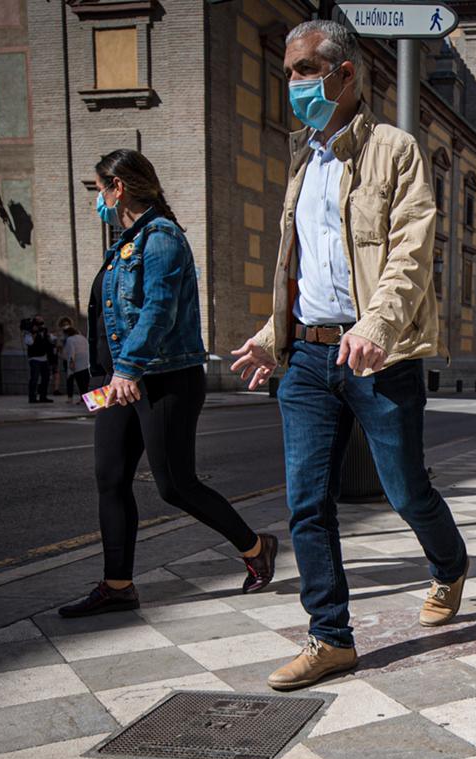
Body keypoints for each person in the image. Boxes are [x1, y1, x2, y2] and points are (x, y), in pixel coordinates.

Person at [231, 19, 468, 691]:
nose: (294, 84)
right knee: (306, 502)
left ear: (345, 73)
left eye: (304, 69)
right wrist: (272, 334)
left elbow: (410, 255)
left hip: (378, 356)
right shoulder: (301, 158)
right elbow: (298, 266)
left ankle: (450, 565)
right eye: (289, 72)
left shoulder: (396, 151)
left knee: (405, 490)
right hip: (307, 360)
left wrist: (376, 327)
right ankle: (330, 638)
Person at [58, 149, 278, 618]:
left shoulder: (161, 239)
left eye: (99, 189)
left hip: (160, 378)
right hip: (117, 380)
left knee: (175, 485)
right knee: (110, 479)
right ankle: (117, 585)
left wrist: (127, 370)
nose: (97, 199)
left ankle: (256, 546)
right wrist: (109, 376)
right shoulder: (123, 244)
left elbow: (158, 311)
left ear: (118, 188)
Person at [60, 317, 91, 403]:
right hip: (86, 363)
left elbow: (71, 353)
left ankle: (70, 398)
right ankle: (84, 399)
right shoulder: (82, 337)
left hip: (77, 364)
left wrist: (71, 363)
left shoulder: (70, 339)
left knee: (73, 381)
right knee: (85, 383)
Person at [24, 317, 54, 403]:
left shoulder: (44, 332)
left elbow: (50, 341)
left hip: (44, 358)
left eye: (42, 323)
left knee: (46, 378)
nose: (41, 325)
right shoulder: (29, 333)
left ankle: (43, 396)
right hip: (34, 359)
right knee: (34, 378)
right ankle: (32, 397)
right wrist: (34, 333)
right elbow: (29, 342)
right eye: (39, 324)